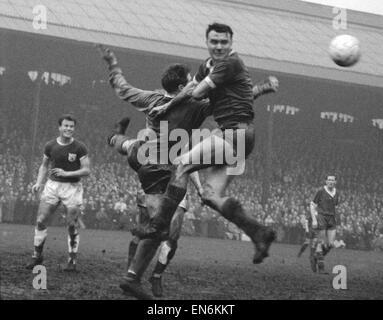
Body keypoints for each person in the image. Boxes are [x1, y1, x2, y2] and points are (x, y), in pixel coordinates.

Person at [98, 43, 278, 299]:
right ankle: (134, 278)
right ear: (183, 87)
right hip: (162, 169)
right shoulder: (196, 105)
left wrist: (112, 62)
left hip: (144, 159)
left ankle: (115, 137)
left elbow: (120, 86)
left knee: (128, 146)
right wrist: (262, 88)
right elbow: (232, 100)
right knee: (162, 231)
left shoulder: (151, 98)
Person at [138, 23, 277, 266]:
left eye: (224, 42)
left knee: (181, 164)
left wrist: (190, 92)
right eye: (214, 42)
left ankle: (158, 226)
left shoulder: (230, 63)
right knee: (210, 195)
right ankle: (259, 232)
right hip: (238, 137)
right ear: (207, 42)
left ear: (231, 43)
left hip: (236, 134)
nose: (219, 46)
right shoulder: (208, 65)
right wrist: (167, 105)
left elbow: (197, 92)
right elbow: (192, 91)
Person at [26, 114, 90, 271]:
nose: (69, 129)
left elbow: (86, 170)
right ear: (60, 127)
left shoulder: (79, 147)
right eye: (66, 126)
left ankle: (72, 261)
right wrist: (38, 182)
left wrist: (66, 174)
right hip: (53, 186)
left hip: (72, 187)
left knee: (71, 224)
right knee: (41, 220)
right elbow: (44, 165)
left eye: (71, 126)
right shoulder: (50, 145)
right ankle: (37, 256)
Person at [310, 175, 340, 274]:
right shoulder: (320, 191)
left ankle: (315, 257)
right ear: (326, 181)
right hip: (322, 217)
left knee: (330, 244)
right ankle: (321, 268)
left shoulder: (337, 193)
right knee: (321, 242)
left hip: (331, 219)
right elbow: (312, 205)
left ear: (335, 182)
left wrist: (337, 218)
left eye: (332, 180)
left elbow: (335, 206)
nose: (330, 181)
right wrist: (314, 219)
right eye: (329, 180)